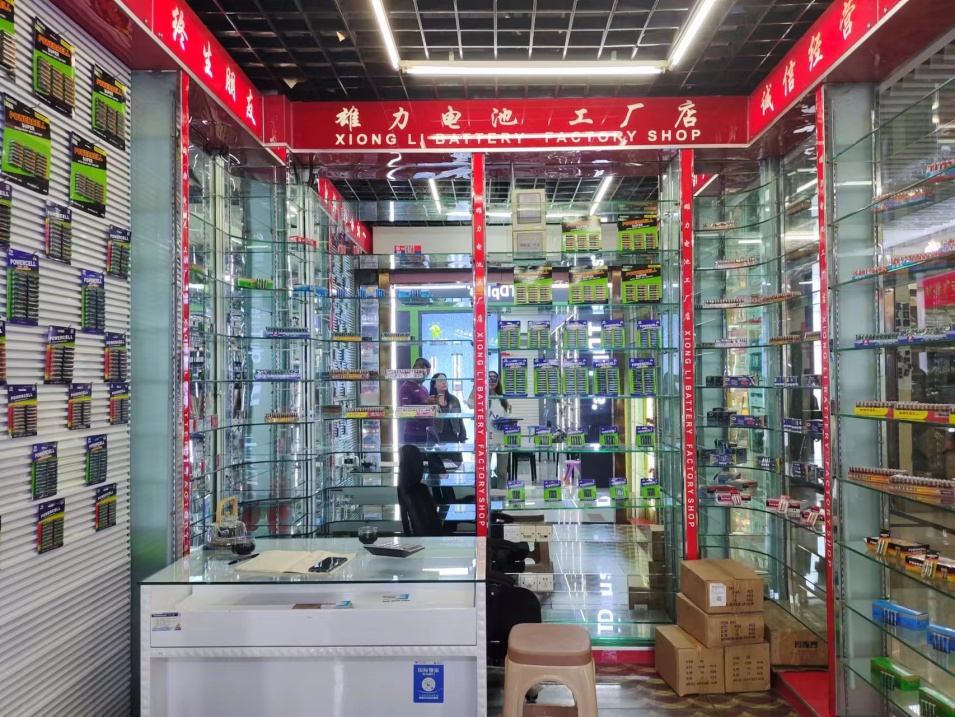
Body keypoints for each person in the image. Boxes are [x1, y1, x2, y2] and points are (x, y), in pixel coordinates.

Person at [468, 370, 511, 488]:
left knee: (502, 472)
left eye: (494, 378)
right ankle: (485, 493)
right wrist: (477, 386)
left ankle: (502, 494)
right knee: (483, 471)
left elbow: (509, 417)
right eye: (489, 378)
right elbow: (470, 404)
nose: (492, 381)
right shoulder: (480, 397)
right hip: (484, 438)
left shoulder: (502, 399)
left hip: (501, 438)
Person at [398, 357, 437, 444]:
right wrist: (426, 402)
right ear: (415, 369)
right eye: (423, 373)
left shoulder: (424, 388)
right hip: (413, 434)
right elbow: (405, 411)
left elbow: (426, 408)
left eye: (427, 374)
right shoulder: (406, 388)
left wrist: (433, 405)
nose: (425, 376)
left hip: (427, 432)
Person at [430, 373, 466, 466]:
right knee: (438, 467)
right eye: (440, 381)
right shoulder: (430, 400)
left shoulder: (454, 400)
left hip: (453, 437)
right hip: (437, 438)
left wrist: (462, 437)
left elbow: (460, 419)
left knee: (455, 466)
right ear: (434, 385)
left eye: (445, 380)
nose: (444, 383)